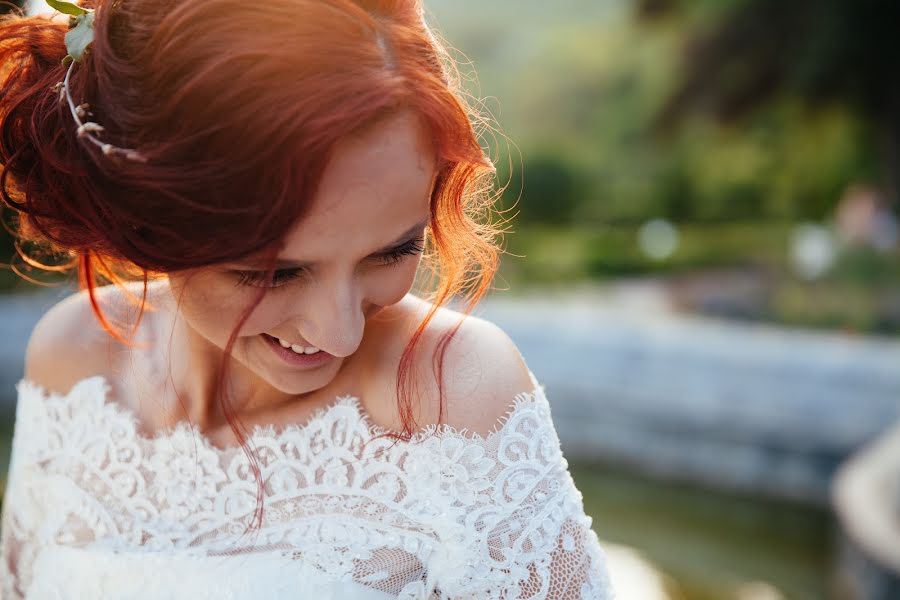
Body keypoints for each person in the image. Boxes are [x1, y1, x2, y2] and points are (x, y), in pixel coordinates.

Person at [0, 0, 616, 598]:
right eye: (276, 273)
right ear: (146, 221)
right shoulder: (71, 363)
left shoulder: (452, 397)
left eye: (394, 252)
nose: (340, 333)